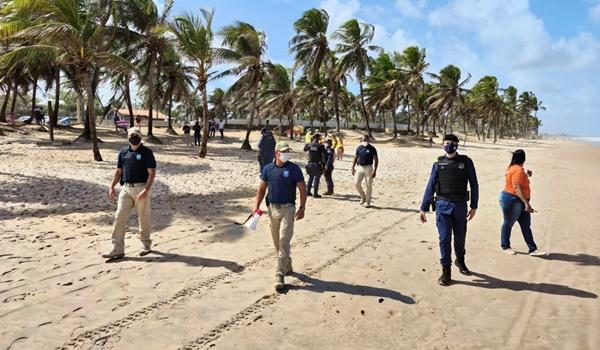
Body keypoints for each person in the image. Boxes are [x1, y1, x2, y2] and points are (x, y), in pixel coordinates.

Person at [419, 134, 479, 286]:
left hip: (460, 206)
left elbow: (474, 184)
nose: (449, 145)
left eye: (452, 143)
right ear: (442, 145)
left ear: (457, 145)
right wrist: (424, 207)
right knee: (444, 239)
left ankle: (460, 260)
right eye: (446, 143)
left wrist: (474, 206)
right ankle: (446, 271)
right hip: (442, 206)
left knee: (460, 237)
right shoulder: (438, 164)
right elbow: (430, 186)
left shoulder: (466, 162)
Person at [253, 142, 307, 291]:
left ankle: (280, 273)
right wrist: (256, 206)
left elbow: (303, 189)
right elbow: (262, 189)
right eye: (284, 151)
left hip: (288, 210)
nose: (286, 154)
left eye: (288, 152)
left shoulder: (294, 169)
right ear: (276, 153)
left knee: (284, 240)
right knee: (277, 243)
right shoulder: (268, 169)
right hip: (272, 210)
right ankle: (287, 263)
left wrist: (302, 207)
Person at [103, 127, 156, 260]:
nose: (134, 137)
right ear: (127, 137)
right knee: (119, 216)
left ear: (140, 137)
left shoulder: (147, 153)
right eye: (131, 135)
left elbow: (152, 173)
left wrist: (146, 190)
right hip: (125, 189)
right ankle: (117, 248)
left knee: (143, 218)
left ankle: (145, 244)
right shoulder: (123, 152)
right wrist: (112, 187)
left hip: (141, 188)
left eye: (136, 135)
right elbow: (118, 171)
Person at [500, 150, 547, 256]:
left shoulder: (512, 168)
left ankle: (532, 249)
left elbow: (516, 179)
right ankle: (505, 246)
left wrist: (526, 175)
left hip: (516, 199)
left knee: (526, 225)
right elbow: (516, 186)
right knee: (508, 223)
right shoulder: (518, 170)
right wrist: (526, 203)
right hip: (513, 200)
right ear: (524, 159)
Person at [351, 135, 378, 208]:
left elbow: (376, 159)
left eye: (366, 140)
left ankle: (368, 202)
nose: (364, 142)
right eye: (363, 140)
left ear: (368, 140)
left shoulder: (372, 148)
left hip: (368, 168)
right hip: (360, 167)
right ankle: (363, 197)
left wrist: (375, 170)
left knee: (368, 185)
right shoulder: (359, 148)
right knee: (356, 183)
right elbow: (356, 157)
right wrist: (352, 167)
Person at [303, 133, 327, 198]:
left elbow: (304, 149)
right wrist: (324, 165)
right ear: (319, 138)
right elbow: (325, 154)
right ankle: (315, 194)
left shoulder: (309, 145)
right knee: (316, 179)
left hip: (310, 164)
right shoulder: (320, 146)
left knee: (310, 178)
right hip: (317, 164)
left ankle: (308, 192)